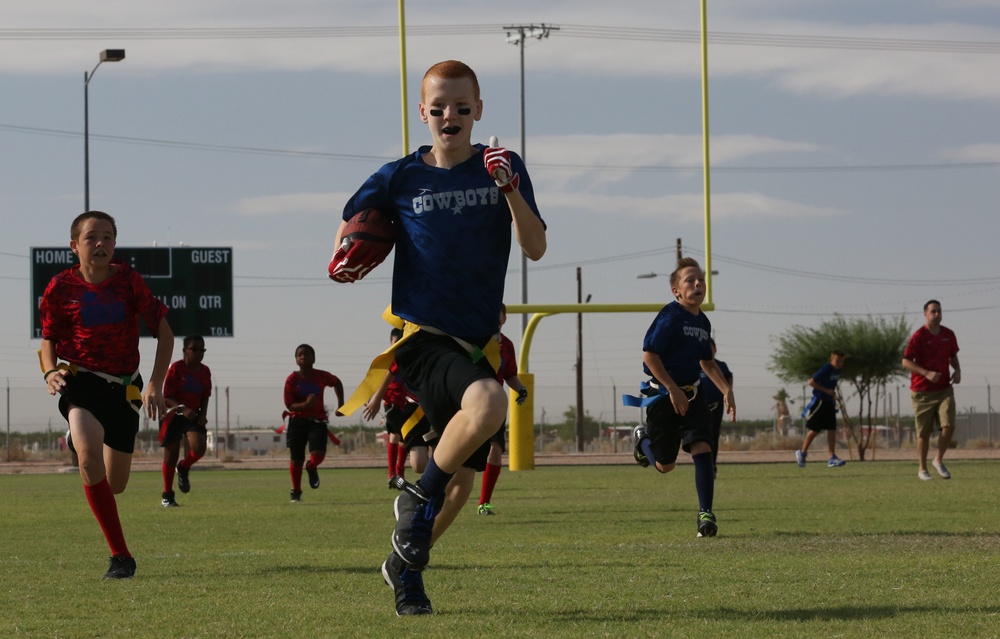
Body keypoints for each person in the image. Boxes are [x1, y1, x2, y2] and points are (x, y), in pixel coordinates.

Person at [333, 60, 546, 615]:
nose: (449, 115)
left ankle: (404, 571)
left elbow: (536, 246)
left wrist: (510, 189)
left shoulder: (503, 167)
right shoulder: (400, 175)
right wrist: (347, 251)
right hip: (424, 339)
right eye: (438, 107)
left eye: (461, 106)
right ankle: (417, 496)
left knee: (461, 487)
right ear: (422, 113)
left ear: (478, 111)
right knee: (490, 402)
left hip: (477, 343)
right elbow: (351, 223)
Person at [39, 210, 174, 579]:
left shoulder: (129, 281)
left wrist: (155, 383)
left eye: (108, 238)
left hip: (125, 387)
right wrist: (50, 370)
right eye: (91, 237)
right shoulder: (60, 287)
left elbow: (164, 333)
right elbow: (48, 341)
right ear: (74, 246)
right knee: (88, 459)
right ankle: (121, 557)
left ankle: (83, 439)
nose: (100, 244)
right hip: (81, 382)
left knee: (114, 485)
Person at [628, 257, 735, 539]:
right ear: (676, 290)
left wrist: (726, 389)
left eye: (700, 279)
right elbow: (650, 356)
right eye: (690, 280)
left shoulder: (704, 322)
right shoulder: (670, 316)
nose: (697, 283)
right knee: (665, 466)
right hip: (664, 395)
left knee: (703, 447)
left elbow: (707, 363)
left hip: (694, 393)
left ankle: (705, 515)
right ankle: (643, 440)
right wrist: (673, 389)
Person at [477, 303, 528, 515]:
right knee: (461, 452)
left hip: (495, 403)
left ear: (504, 318)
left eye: (499, 316)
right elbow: (466, 363)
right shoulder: (475, 338)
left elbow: (509, 374)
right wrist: (485, 351)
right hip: (472, 402)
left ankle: (484, 503)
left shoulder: (507, 344)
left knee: (495, 449)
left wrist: (521, 389)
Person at [902, 300, 960, 481]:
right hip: (922, 392)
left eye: (939, 311)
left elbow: (953, 355)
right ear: (925, 314)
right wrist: (926, 373)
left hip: (944, 389)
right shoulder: (919, 336)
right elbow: (905, 361)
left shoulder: (948, 334)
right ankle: (922, 468)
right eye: (933, 311)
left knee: (949, 426)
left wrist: (957, 370)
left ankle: (938, 460)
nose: (937, 314)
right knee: (924, 433)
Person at [283, 344, 345, 502]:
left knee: (318, 453)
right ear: (296, 360)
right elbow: (289, 405)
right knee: (296, 459)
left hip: (317, 421)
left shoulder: (322, 376)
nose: (303, 357)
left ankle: (311, 466)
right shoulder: (292, 379)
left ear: (314, 358)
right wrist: (305, 405)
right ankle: (296, 491)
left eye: (307, 354)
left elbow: (337, 382)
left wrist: (341, 404)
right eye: (300, 354)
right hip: (297, 422)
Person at [159, 335, 212, 507]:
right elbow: (166, 396)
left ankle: (184, 467)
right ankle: (167, 495)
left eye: (201, 349)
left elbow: (205, 395)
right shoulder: (176, 369)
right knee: (170, 456)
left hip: (193, 416)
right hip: (173, 415)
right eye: (194, 349)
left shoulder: (205, 371)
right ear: (185, 351)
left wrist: (203, 414)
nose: (198, 353)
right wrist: (183, 409)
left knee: (199, 448)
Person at [364, 328, 414, 483]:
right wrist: (371, 398)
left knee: (405, 438)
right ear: (390, 343)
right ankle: (392, 473)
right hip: (391, 403)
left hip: (409, 403)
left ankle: (400, 472)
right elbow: (374, 381)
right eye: (395, 342)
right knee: (395, 434)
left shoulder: (411, 359)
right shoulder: (385, 362)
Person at [795, 350, 847, 469]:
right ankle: (802, 453)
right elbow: (812, 382)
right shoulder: (826, 369)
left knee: (832, 429)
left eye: (842, 361)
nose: (839, 363)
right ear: (831, 360)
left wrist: (834, 395)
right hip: (820, 402)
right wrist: (826, 391)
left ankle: (831, 457)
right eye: (837, 361)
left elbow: (831, 384)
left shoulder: (838, 371)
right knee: (815, 430)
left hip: (829, 403)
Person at [699, 338, 732, 477]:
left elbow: (729, 378)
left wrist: (728, 393)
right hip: (699, 406)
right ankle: (702, 466)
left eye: (711, 348)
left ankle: (712, 465)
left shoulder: (720, 366)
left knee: (713, 436)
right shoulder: (697, 365)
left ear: (715, 349)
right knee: (700, 437)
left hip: (716, 405)